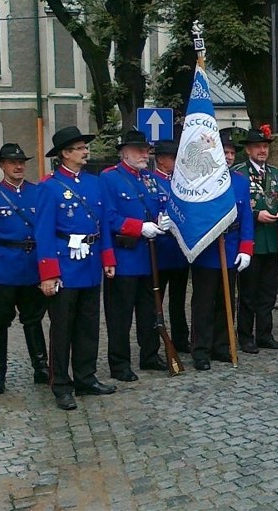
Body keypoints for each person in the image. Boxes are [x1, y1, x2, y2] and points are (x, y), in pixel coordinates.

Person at [36, 126, 117, 410]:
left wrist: (108, 259)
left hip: (91, 263)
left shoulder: (94, 183)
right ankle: (61, 384)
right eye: (80, 148)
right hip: (65, 265)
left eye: (85, 147)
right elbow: (43, 233)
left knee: (88, 325)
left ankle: (86, 377)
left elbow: (103, 223)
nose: (86, 152)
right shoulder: (49, 187)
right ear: (65, 154)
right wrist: (49, 273)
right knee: (62, 328)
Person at [0, 143, 47, 395]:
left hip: (31, 266)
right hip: (1, 268)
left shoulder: (38, 193)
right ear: (2, 166)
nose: (18, 166)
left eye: (22, 162)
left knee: (34, 319)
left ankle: (41, 367)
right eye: (12, 162)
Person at [100, 129, 169, 382]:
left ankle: (150, 354)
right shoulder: (109, 178)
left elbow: (160, 204)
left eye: (146, 150)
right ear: (124, 152)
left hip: (149, 256)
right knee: (120, 315)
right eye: (139, 150)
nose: (145, 154)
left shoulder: (149, 178)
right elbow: (107, 217)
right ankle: (119, 363)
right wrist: (138, 227)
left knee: (149, 310)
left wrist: (164, 219)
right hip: (125, 255)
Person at [189, 133, 254, 371]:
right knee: (204, 303)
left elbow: (246, 216)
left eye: (230, 153)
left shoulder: (240, 181)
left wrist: (246, 248)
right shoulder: (200, 180)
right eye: (223, 152)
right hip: (207, 250)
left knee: (227, 302)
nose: (227, 157)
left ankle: (222, 345)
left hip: (231, 246)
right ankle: (201, 350)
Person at [233, 126, 278, 354]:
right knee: (248, 293)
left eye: (265, 146)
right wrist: (256, 215)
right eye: (258, 147)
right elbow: (234, 207)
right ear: (248, 150)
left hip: (270, 241)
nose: (262, 150)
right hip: (250, 241)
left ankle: (265, 334)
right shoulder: (239, 173)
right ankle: (245, 337)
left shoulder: (274, 172)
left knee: (268, 293)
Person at [153, 139, 191, 352]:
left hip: (179, 249)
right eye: (174, 158)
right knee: (155, 300)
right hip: (160, 249)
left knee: (178, 298)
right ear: (161, 159)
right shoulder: (152, 181)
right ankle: (155, 339)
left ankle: (180, 337)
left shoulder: (181, 183)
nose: (178, 162)